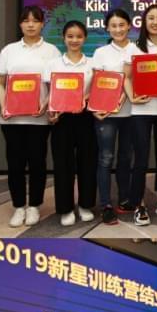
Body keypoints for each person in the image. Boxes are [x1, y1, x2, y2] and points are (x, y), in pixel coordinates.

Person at [0, 5, 60, 227]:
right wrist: (4, 106)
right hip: (11, 119)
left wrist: (46, 103)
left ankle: (34, 206)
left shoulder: (51, 51)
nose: (30, 25)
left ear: (42, 24)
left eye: (35, 20)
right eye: (26, 20)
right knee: (15, 164)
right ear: (20, 24)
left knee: (37, 163)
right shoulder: (9, 51)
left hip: (39, 119)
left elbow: (56, 85)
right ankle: (18, 207)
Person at [124, 3, 157, 227]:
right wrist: (132, 97)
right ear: (144, 22)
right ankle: (139, 204)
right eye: (151, 18)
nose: (155, 22)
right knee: (141, 158)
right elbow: (126, 77)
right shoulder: (135, 48)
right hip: (141, 110)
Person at [45, 20, 96, 227]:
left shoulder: (92, 64)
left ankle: (85, 205)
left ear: (85, 38)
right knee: (63, 164)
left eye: (79, 36)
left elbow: (97, 90)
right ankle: (65, 209)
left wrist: (84, 98)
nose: (74, 40)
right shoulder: (54, 64)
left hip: (86, 117)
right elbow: (50, 94)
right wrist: (51, 113)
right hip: (62, 119)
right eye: (70, 36)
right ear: (63, 38)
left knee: (87, 163)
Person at [91, 8, 137, 225]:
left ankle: (124, 199)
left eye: (122, 25)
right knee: (105, 158)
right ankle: (106, 205)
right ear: (107, 28)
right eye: (113, 26)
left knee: (126, 157)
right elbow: (97, 84)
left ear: (129, 26)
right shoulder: (101, 53)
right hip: (106, 114)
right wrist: (97, 108)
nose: (118, 29)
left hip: (132, 113)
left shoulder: (138, 50)